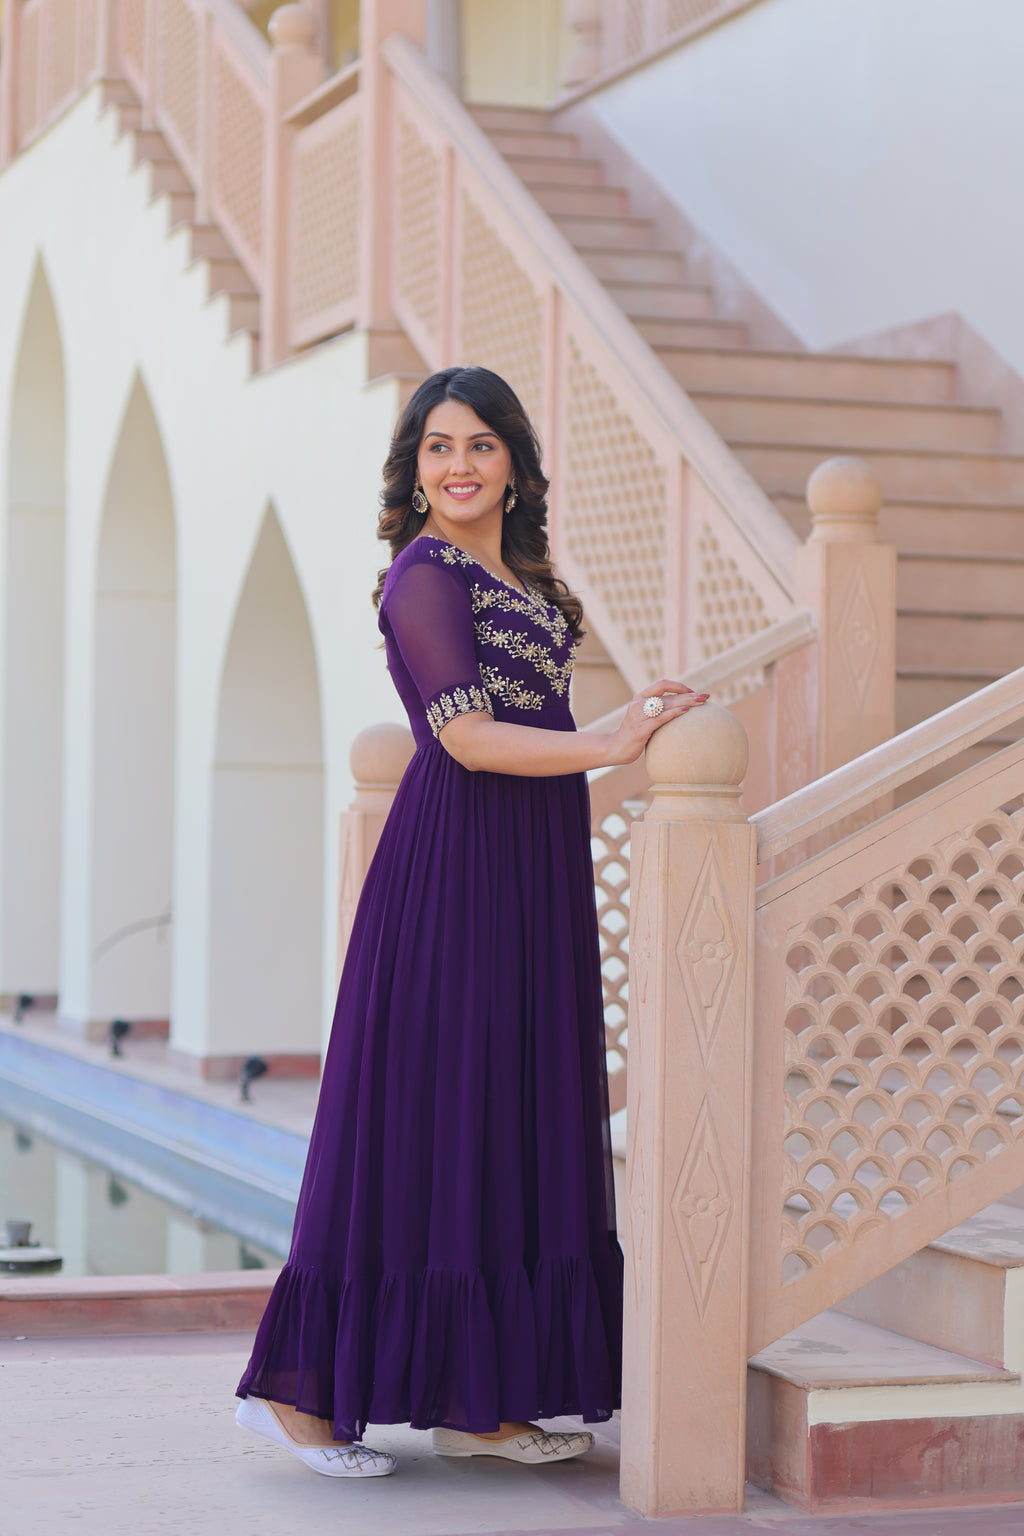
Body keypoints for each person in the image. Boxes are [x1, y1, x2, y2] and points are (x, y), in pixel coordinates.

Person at [235, 365, 708, 1478]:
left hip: (529, 869)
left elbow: (536, 745)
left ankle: (476, 1402)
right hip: (454, 875)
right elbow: (464, 737)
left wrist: (622, 749)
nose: (459, 465)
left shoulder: (526, 581)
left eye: (480, 444)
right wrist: (612, 739)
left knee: (500, 1114)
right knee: (425, 1114)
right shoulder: (424, 574)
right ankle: (296, 1397)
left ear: (514, 465)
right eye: (438, 446)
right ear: (415, 467)